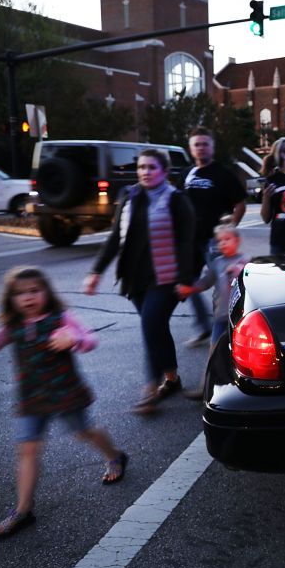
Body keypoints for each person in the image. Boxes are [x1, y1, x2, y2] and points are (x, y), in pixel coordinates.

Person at [0, 266, 127, 538]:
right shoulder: (13, 327)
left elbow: (91, 339)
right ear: (11, 299)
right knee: (27, 449)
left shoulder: (60, 318)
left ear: (47, 292)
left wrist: (74, 337)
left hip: (65, 393)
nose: (28, 297)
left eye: (35, 290)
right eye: (20, 293)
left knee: (84, 432)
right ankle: (23, 510)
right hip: (32, 398)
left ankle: (115, 455)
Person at [84, 148, 196, 413]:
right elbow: (115, 238)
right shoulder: (129, 197)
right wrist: (96, 271)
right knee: (157, 328)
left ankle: (149, 390)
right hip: (134, 280)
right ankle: (172, 379)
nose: (145, 172)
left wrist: (184, 279)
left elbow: (187, 243)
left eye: (152, 167)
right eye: (142, 167)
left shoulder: (176, 200)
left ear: (165, 172)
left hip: (166, 279)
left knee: (150, 326)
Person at [182, 127, 247, 348]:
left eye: (205, 143)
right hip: (191, 240)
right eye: (196, 144)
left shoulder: (223, 173)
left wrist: (229, 230)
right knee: (189, 283)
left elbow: (240, 204)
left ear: (212, 146)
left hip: (215, 241)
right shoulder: (187, 174)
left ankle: (228, 326)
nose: (201, 148)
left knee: (223, 285)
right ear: (191, 149)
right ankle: (204, 326)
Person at [176, 223, 249, 399]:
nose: (223, 243)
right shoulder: (216, 263)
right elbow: (206, 282)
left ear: (237, 241)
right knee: (213, 353)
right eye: (220, 241)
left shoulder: (246, 260)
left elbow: (252, 279)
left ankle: (244, 387)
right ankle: (205, 388)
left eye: (227, 239)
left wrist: (239, 269)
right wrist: (190, 289)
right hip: (221, 317)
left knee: (242, 353)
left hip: (241, 316)